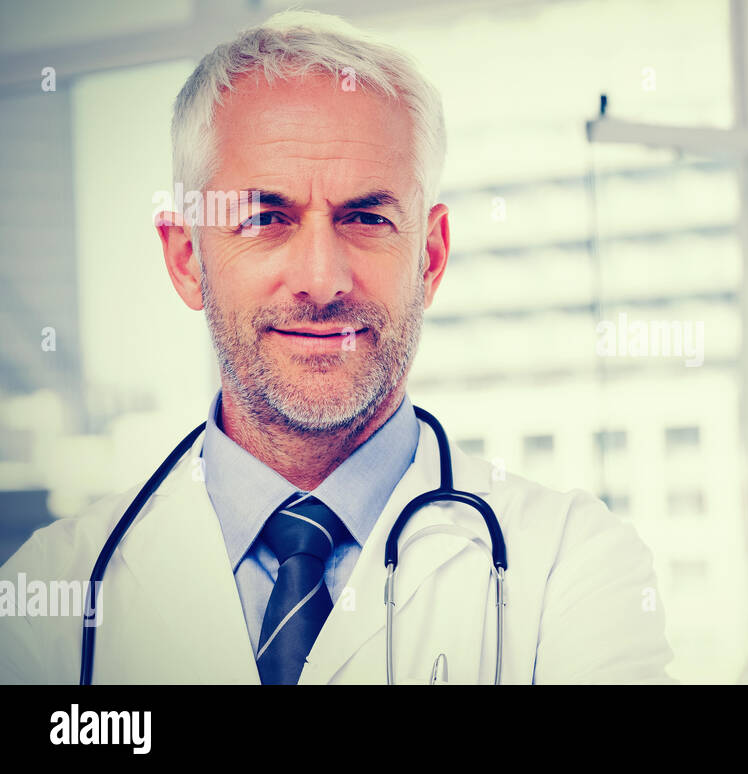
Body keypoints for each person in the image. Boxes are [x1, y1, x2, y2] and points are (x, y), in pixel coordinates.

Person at [0, 10, 674, 684]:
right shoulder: (49, 594)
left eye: (366, 217)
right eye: (265, 219)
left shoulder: (572, 565)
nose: (321, 281)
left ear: (431, 258)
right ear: (186, 260)